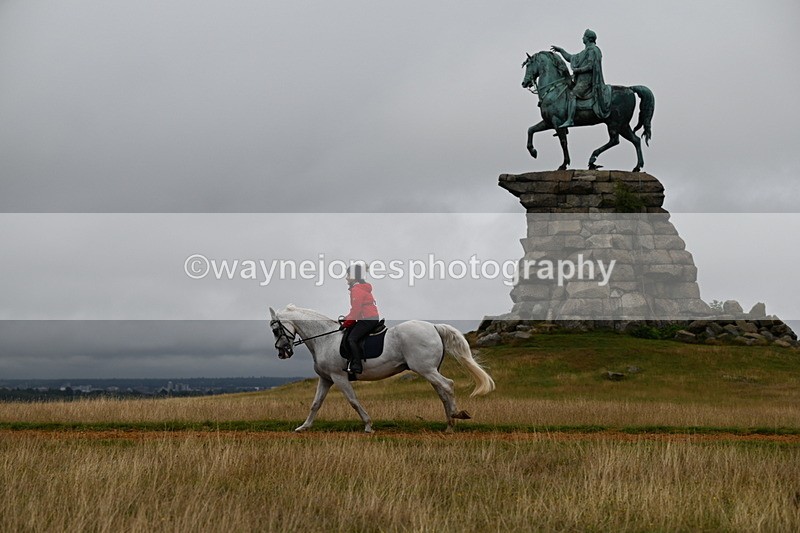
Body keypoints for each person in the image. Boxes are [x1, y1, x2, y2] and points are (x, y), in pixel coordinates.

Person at [550, 29, 612, 128]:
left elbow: (591, 66)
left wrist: (578, 70)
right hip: (580, 81)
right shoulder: (584, 52)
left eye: (584, 36)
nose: (582, 38)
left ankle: (570, 120)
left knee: (572, 94)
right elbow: (571, 58)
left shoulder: (593, 50)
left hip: (587, 82)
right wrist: (561, 50)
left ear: (588, 38)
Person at [340, 263, 380, 375]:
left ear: (354, 276)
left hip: (367, 319)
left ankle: (357, 365)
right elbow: (354, 311)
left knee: (351, 339)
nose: (346, 277)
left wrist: (345, 324)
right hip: (370, 317)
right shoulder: (361, 288)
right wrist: (346, 319)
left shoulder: (356, 289)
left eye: (348, 274)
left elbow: (356, 313)